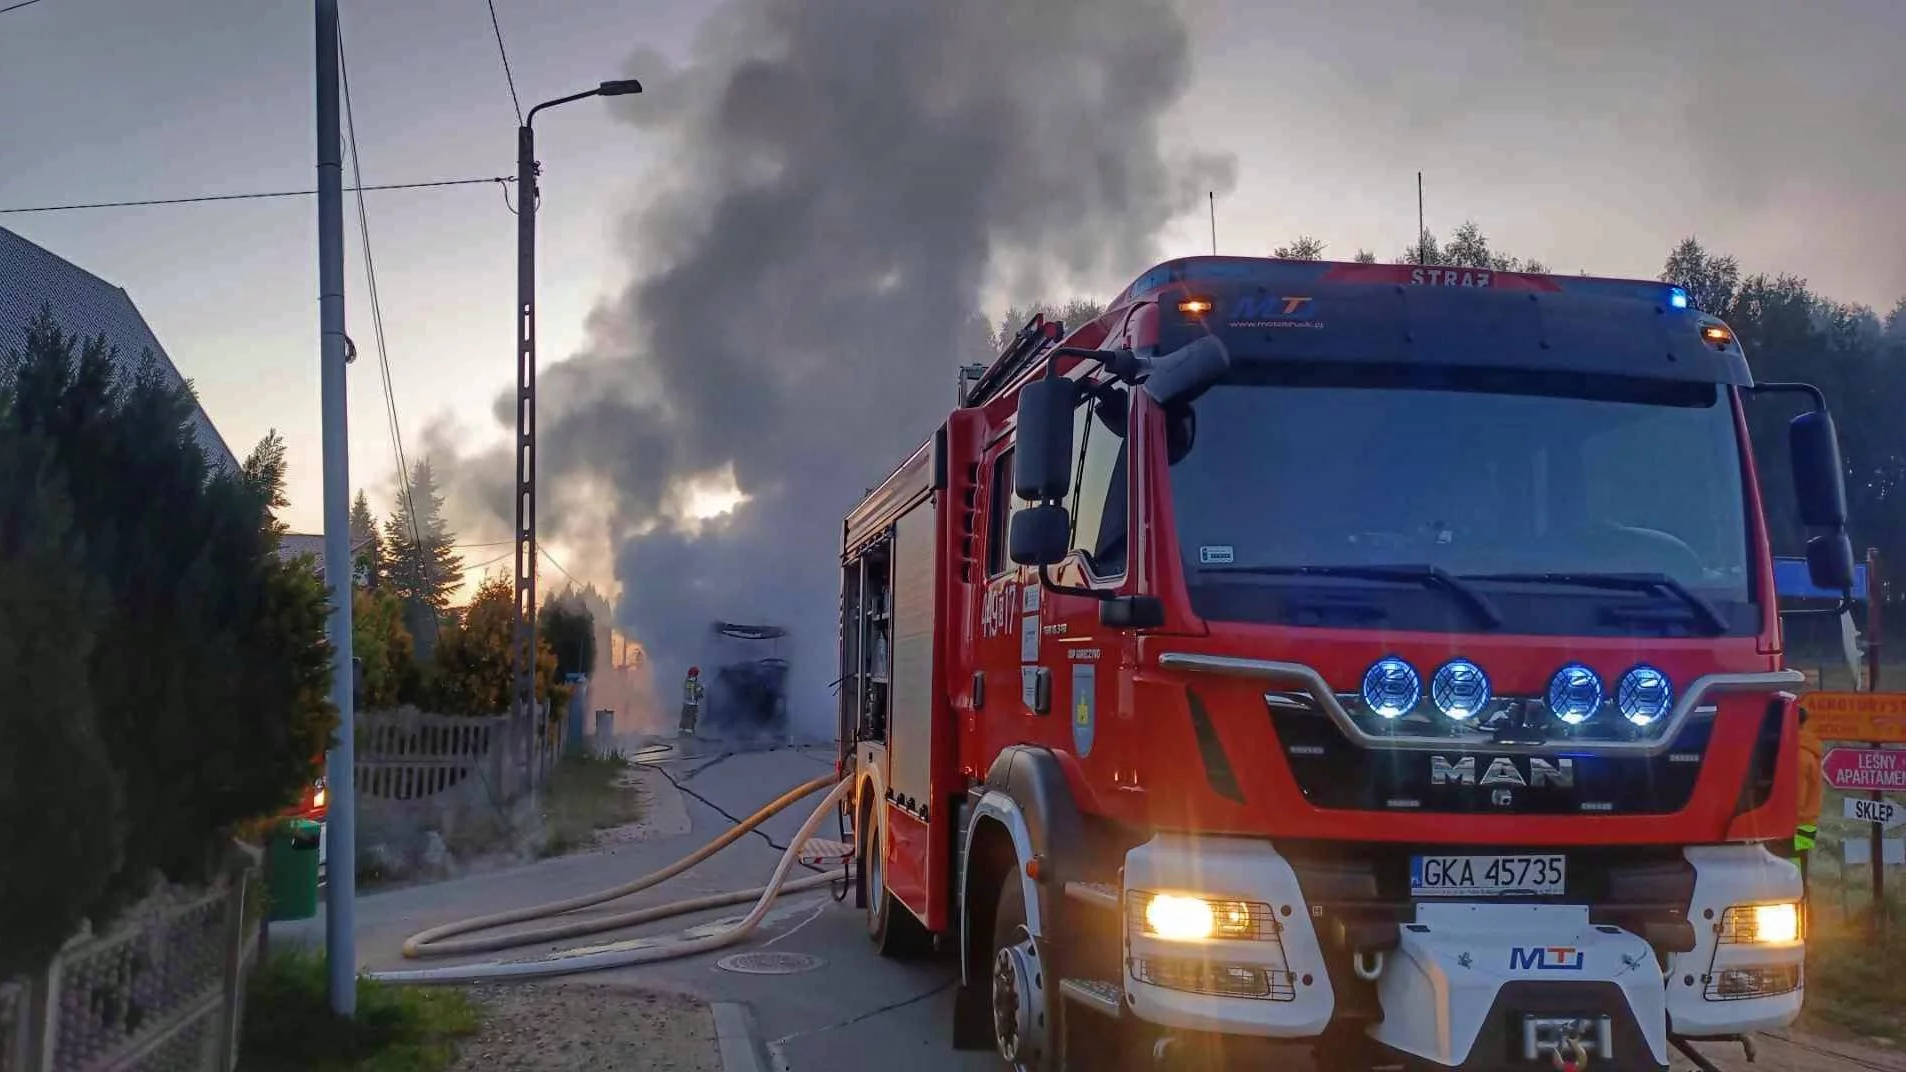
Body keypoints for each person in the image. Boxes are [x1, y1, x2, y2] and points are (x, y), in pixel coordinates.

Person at [679, 666, 705, 737]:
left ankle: (681, 732)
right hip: (693, 704)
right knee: (691, 719)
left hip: (685, 703)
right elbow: (698, 694)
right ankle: (689, 735)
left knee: (684, 718)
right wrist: (701, 689)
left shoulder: (686, 681)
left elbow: (685, 690)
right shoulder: (696, 683)